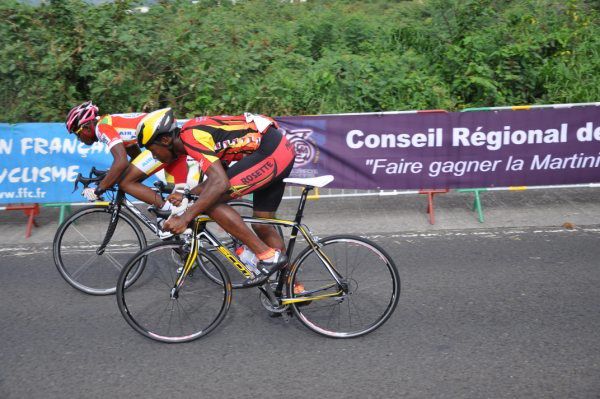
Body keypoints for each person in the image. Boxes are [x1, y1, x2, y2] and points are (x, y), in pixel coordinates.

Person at [135, 108, 295, 281]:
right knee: (262, 225)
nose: (154, 156)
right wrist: (188, 195)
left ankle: (266, 255)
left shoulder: (191, 138)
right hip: (277, 149)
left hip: (270, 153)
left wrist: (184, 219)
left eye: (153, 150)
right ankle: (293, 287)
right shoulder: (192, 133)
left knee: (210, 202)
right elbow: (218, 177)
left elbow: (220, 183)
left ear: (165, 139)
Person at [65, 101, 194, 237]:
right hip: (167, 139)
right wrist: (109, 177)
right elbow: (136, 157)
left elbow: (121, 162)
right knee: (128, 179)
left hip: (163, 144)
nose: (80, 139)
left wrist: (98, 190)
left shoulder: (102, 128)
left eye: (77, 134)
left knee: (125, 182)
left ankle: (166, 211)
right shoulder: (111, 122)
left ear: (85, 127)